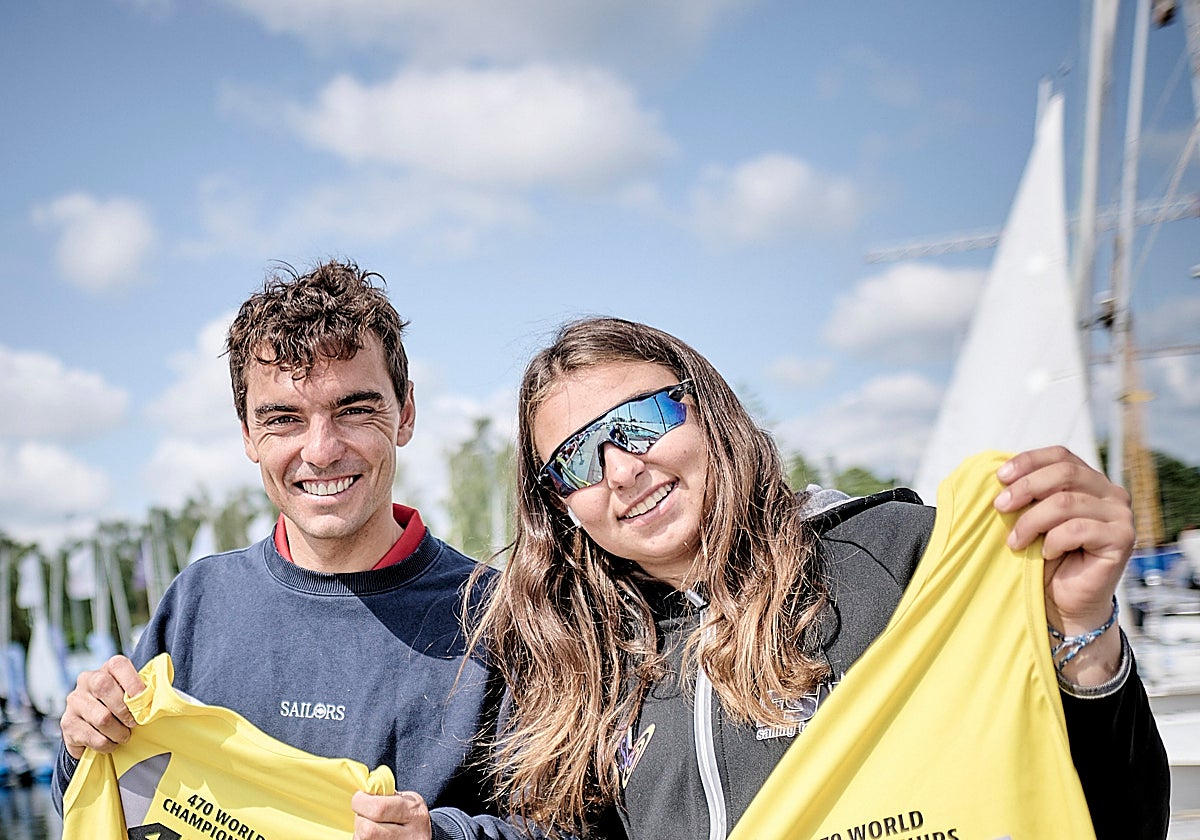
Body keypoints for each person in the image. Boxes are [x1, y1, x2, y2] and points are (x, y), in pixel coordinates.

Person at [373, 316, 1170, 839]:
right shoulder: (589, 662)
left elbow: (1109, 815)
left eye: (642, 421)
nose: (622, 468)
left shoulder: (899, 559)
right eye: (576, 459)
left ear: (710, 410)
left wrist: (1084, 636)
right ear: (560, 503)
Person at [52, 260, 504, 833]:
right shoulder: (198, 601)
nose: (320, 450)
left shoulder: (501, 616)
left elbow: (573, 825)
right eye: (284, 419)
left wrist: (441, 835)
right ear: (247, 434)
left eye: (355, 410)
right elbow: (114, 799)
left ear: (405, 412)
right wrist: (81, 743)